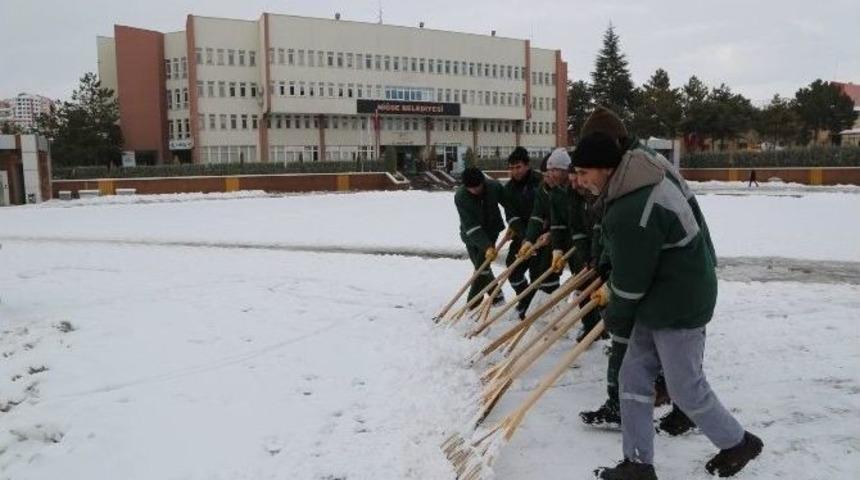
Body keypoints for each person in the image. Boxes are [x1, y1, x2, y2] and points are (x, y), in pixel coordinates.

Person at [572, 129, 763, 479]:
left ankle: (738, 443)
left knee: (685, 387)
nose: (579, 181)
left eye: (584, 173)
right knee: (633, 377)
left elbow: (630, 284)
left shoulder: (632, 206)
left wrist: (615, 315)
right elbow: (632, 268)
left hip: (680, 301)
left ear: (605, 169)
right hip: (658, 296)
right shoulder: (630, 186)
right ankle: (638, 464)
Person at [455, 166, 509, 307]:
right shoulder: (461, 196)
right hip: (471, 235)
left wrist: (514, 223)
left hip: (491, 231)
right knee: (482, 267)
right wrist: (486, 247)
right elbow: (470, 225)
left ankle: (472, 304)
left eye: (477, 187)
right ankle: (496, 296)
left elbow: (509, 205)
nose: (474, 191)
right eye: (470, 188)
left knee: (481, 267)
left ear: (482, 182)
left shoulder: (494, 187)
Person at [501, 147, 544, 318]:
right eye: (511, 168)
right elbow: (511, 216)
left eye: (518, 167)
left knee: (537, 274)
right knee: (513, 269)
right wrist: (525, 237)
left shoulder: (540, 182)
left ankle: (535, 308)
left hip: (542, 236)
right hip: (522, 236)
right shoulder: (508, 189)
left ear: (527, 166)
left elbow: (546, 210)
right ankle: (526, 299)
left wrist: (538, 234)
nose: (514, 171)